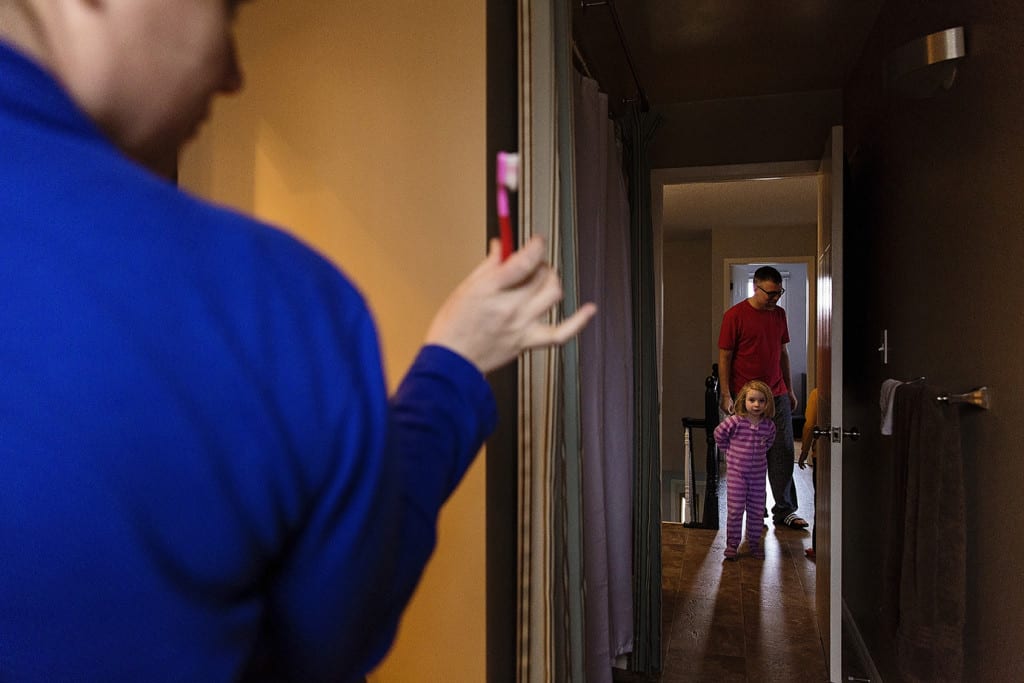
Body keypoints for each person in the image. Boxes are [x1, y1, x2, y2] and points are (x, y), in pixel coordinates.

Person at [0, 2, 595, 682]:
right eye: (225, 13)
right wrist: (452, 370)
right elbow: (334, 627)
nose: (232, 75)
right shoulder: (268, 302)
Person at [718, 266, 808, 530]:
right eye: (770, 293)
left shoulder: (779, 315)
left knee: (783, 451)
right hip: (746, 396)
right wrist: (726, 394)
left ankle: (785, 510)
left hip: (777, 393)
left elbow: (783, 352)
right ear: (756, 287)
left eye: (779, 293)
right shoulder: (734, 316)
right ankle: (755, 511)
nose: (775, 298)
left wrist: (789, 389)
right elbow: (725, 356)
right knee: (750, 457)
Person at [713, 380, 776, 560]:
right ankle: (732, 545)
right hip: (737, 474)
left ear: (767, 403)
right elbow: (718, 434)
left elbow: (769, 443)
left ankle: (754, 543)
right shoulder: (735, 421)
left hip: (758, 476)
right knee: (735, 509)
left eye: (761, 401)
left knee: (756, 511)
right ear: (744, 400)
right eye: (752, 400)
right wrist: (729, 451)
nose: (756, 405)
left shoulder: (768, 426)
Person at [799, 387, 820, 559]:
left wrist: (804, 451)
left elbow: (809, 425)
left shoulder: (817, 394)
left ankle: (818, 546)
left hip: (822, 454)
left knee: (821, 502)